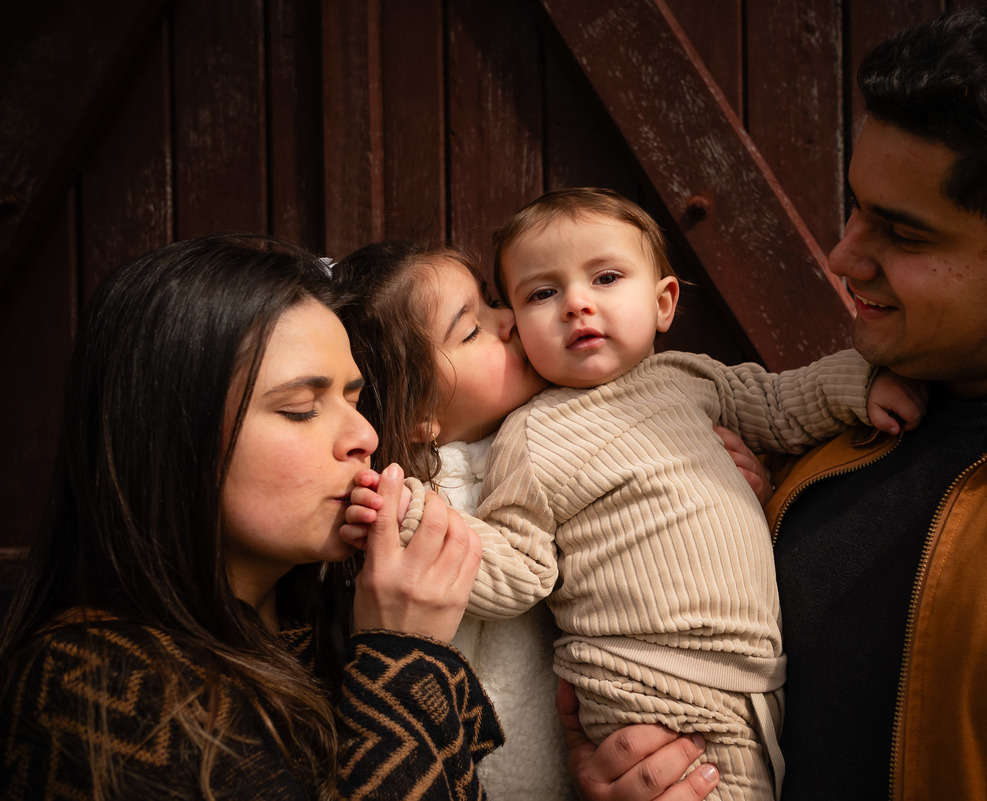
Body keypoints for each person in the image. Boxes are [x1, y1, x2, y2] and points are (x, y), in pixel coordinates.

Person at [570, 4, 987, 800]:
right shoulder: (810, 428)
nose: (843, 255)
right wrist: (634, 771)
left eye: (903, 233)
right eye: (855, 205)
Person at [346, 189, 926, 800]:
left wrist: (860, 384)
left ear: (663, 302)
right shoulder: (535, 436)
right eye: (540, 294)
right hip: (645, 693)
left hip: (756, 678)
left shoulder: (690, 379)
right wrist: (408, 512)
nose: (575, 305)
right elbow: (520, 565)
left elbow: (781, 403)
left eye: (605, 277)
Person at [0, 234, 502, 800]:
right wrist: (404, 653)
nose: (364, 437)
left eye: (354, 400)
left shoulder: (326, 629)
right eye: (300, 410)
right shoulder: (90, 686)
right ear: (169, 437)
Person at [333, 240, 772, 800]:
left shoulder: (577, 417)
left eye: (492, 302)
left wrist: (728, 482)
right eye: (471, 331)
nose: (510, 320)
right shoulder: (431, 494)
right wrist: (404, 512)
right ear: (421, 416)